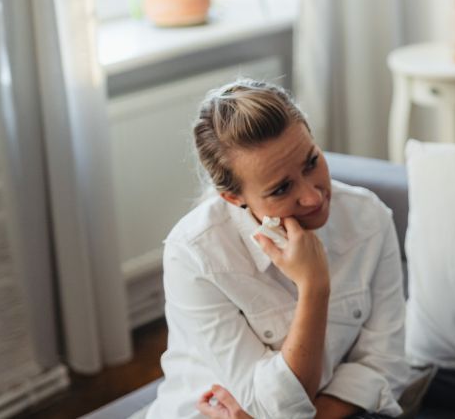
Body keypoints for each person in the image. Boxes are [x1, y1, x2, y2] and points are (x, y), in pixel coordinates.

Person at [146, 79, 409, 419]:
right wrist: (314, 288)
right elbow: (273, 408)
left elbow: (385, 365)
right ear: (233, 197)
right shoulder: (196, 255)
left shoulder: (368, 218)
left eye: (311, 162)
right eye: (282, 189)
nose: (313, 196)